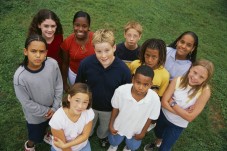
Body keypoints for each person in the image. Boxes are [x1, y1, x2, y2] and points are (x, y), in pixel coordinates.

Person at [75, 29, 132, 148]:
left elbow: (126, 93)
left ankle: (102, 136)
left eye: (107, 50)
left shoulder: (123, 70)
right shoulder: (86, 64)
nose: (103, 55)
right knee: (88, 124)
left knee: (104, 126)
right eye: (99, 51)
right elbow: (79, 84)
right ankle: (88, 134)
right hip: (89, 106)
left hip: (109, 108)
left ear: (114, 48)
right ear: (94, 49)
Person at [144, 59, 214, 151]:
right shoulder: (178, 80)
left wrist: (172, 103)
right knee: (158, 132)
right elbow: (164, 103)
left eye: (201, 77)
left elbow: (190, 117)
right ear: (191, 68)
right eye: (195, 72)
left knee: (165, 148)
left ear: (206, 79)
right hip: (163, 115)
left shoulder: (205, 91)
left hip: (178, 124)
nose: (196, 78)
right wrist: (183, 113)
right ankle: (158, 141)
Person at [13, 34, 63, 151]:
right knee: (35, 135)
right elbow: (26, 102)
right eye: (33, 51)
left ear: (46, 52)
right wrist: (46, 111)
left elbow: (59, 85)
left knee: (52, 126)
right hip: (35, 116)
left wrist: (55, 107)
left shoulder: (53, 64)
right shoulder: (20, 77)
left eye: (42, 51)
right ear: (26, 51)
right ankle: (30, 146)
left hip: (54, 108)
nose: (38, 55)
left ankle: (46, 135)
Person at [107, 65, 161, 151]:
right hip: (119, 125)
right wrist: (111, 124)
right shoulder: (121, 91)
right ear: (133, 80)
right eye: (138, 82)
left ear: (151, 84)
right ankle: (114, 146)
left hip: (136, 130)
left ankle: (128, 147)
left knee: (133, 146)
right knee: (113, 141)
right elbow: (115, 108)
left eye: (145, 85)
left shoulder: (154, 99)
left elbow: (151, 118)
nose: (140, 87)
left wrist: (143, 132)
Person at [49, 83, 94, 151]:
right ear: (69, 98)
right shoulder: (57, 119)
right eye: (77, 100)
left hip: (82, 145)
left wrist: (66, 145)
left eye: (85, 102)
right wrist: (64, 146)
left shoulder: (88, 112)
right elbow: (64, 148)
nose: (80, 106)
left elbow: (85, 136)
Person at [61, 11, 95, 92]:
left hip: (93, 73)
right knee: (78, 93)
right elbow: (65, 64)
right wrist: (65, 83)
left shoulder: (95, 39)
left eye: (84, 26)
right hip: (74, 74)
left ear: (89, 27)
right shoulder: (68, 42)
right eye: (77, 25)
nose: (80, 29)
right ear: (73, 25)